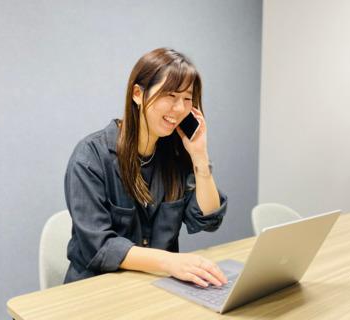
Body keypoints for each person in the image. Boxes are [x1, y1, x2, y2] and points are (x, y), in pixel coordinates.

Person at [64, 47, 228, 288]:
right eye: (170, 95)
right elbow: (100, 245)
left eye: (187, 98)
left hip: (155, 290)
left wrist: (200, 156)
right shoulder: (91, 157)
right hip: (96, 291)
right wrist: (171, 262)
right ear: (138, 94)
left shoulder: (175, 154)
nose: (180, 108)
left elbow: (207, 219)